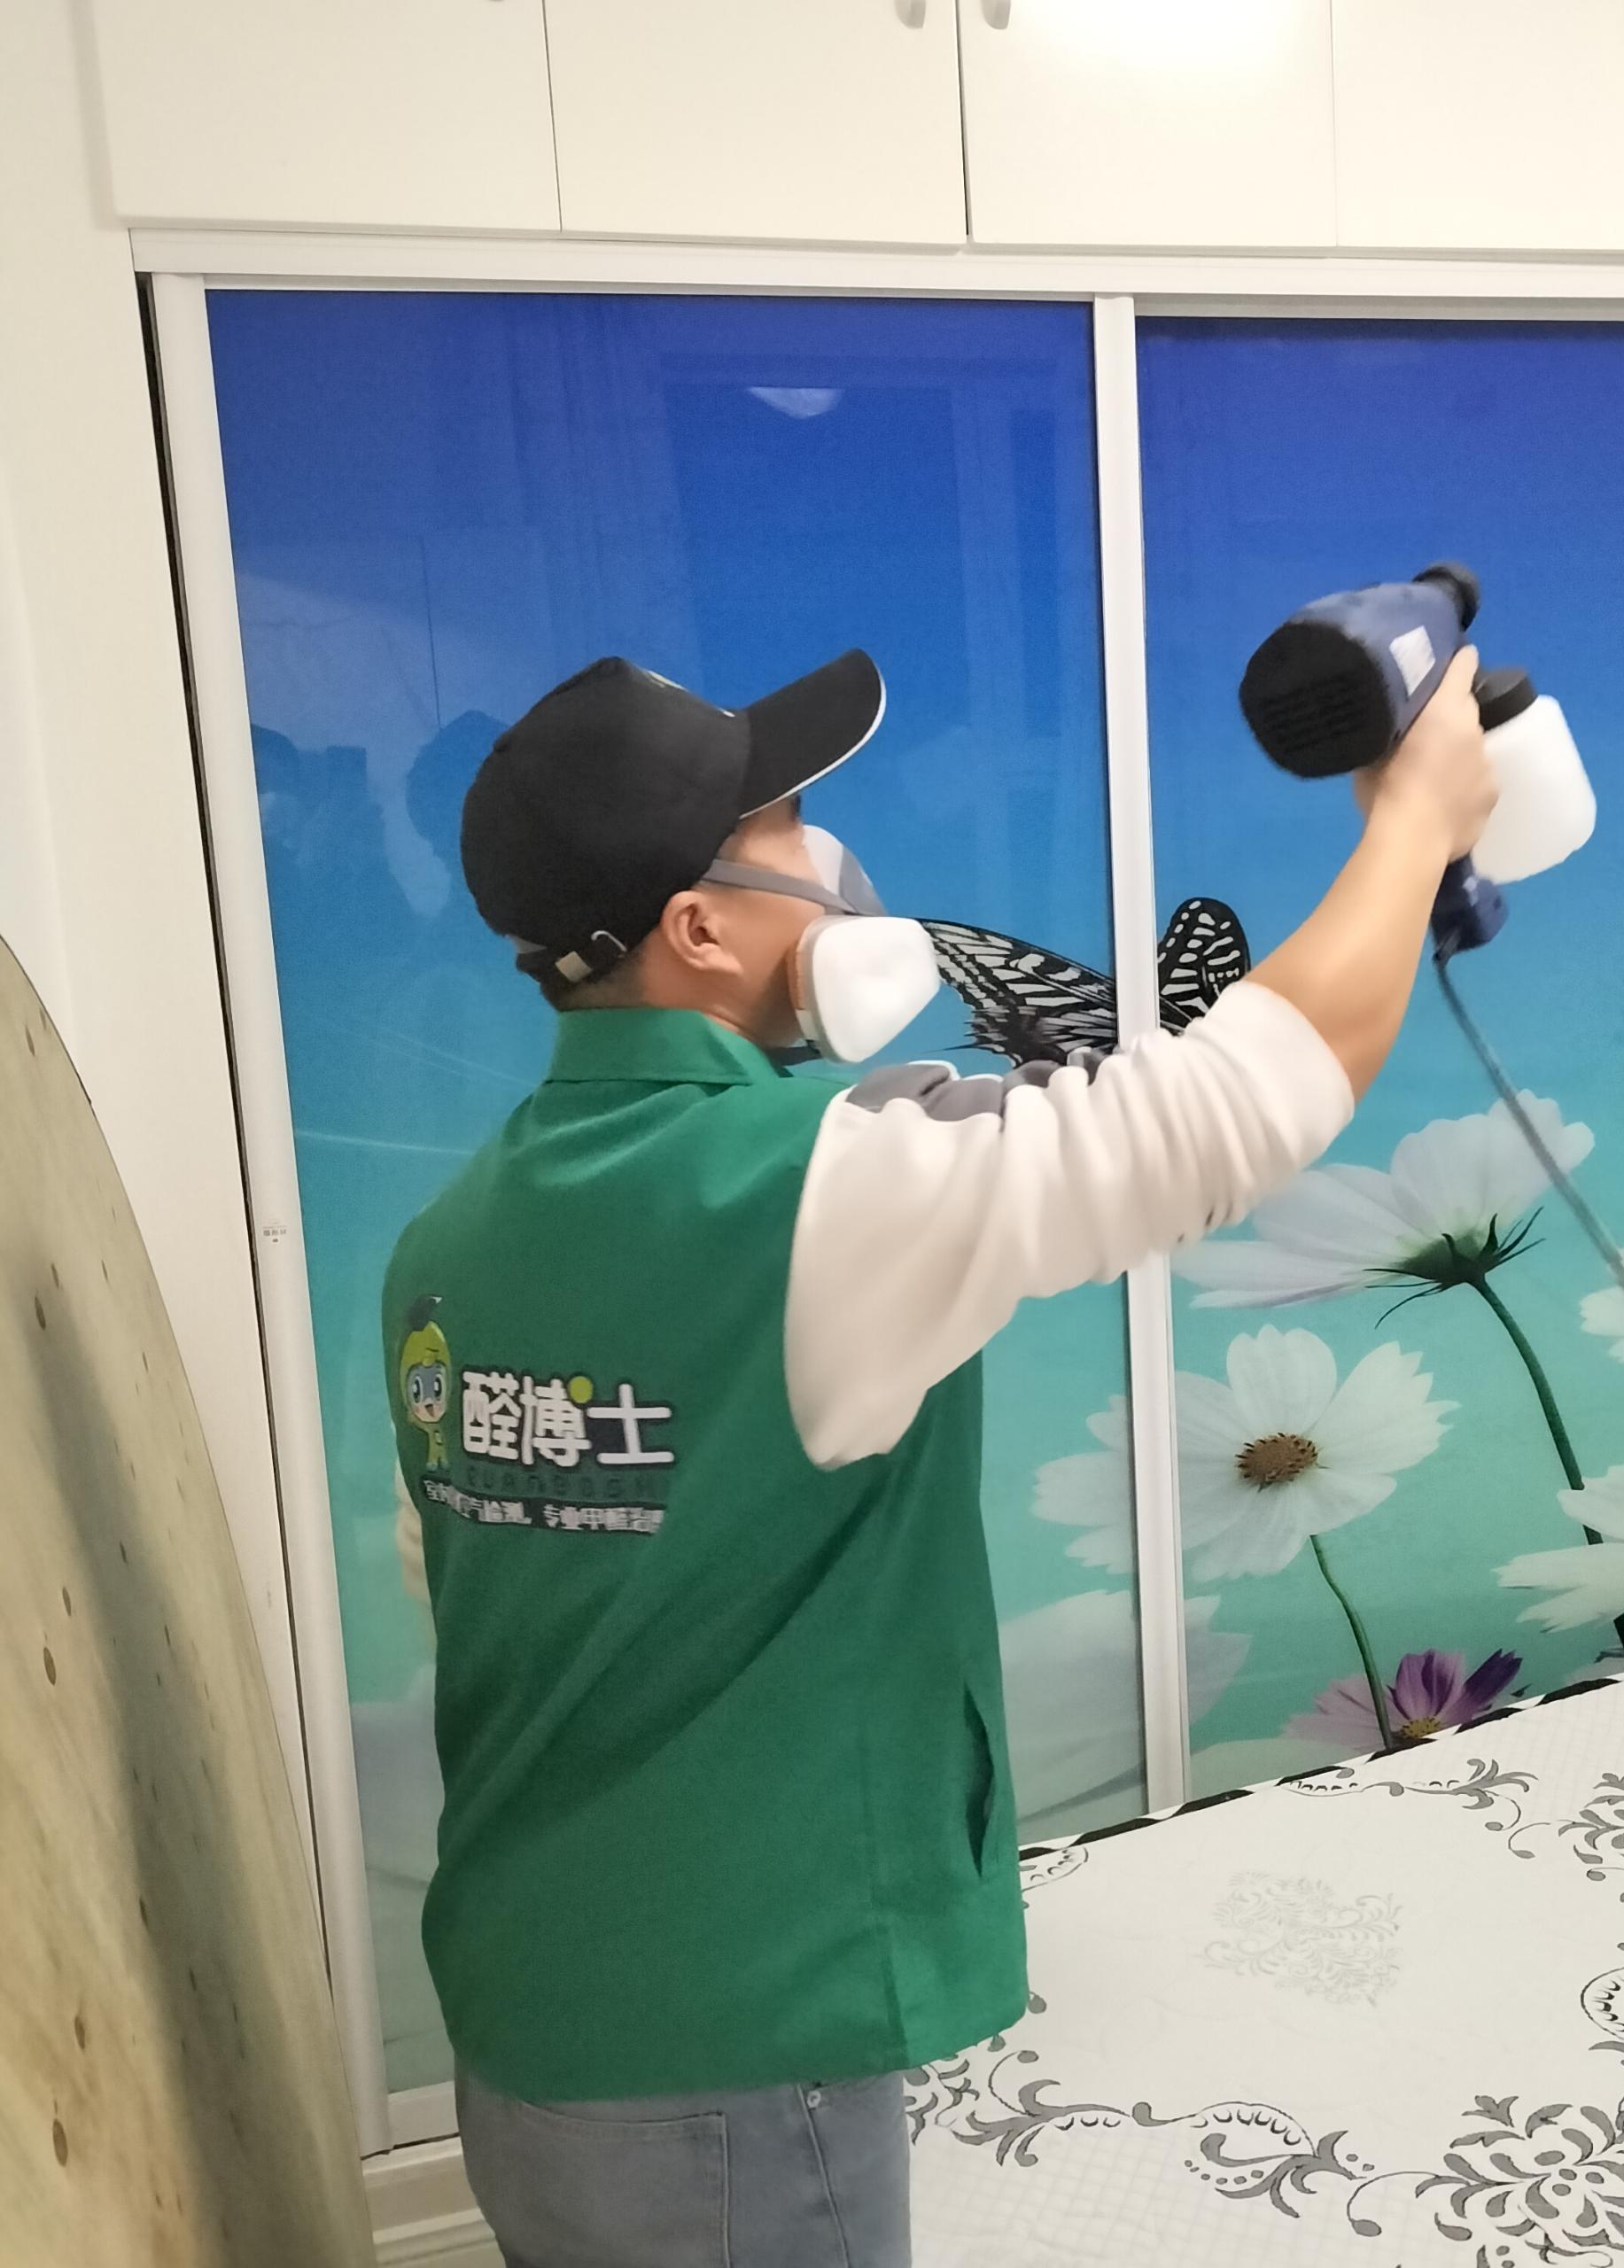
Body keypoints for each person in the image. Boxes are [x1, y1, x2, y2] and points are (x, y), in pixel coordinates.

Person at [383, 642, 1493, 2268]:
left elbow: (466, 1579)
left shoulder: (450, 1236)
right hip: (730, 2044)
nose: (829, 863)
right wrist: (1416, 820)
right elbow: (1235, 1109)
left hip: (528, 2003)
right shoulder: (808, 1189)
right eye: (785, 831)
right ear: (698, 927)